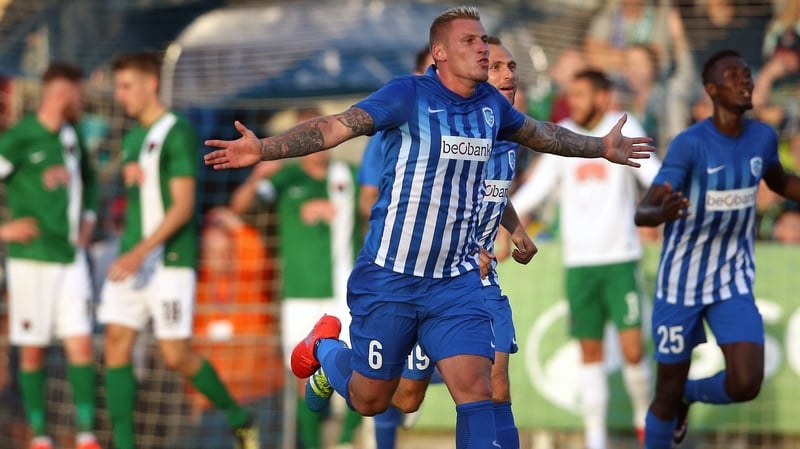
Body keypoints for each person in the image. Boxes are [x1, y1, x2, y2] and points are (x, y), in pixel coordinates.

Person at [205, 7, 654, 449]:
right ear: (439, 53)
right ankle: (325, 348)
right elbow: (336, 126)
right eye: (470, 41)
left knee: (478, 388)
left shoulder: (491, 106)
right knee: (372, 399)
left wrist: (600, 147)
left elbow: (542, 134)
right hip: (392, 276)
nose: (482, 49)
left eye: (484, 40)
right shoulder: (408, 95)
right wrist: (264, 148)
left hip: (455, 281)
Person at [634, 49, 800, 449]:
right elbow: (644, 210)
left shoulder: (762, 137)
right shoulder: (690, 144)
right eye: (733, 76)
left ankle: (690, 394)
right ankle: (675, 403)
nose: (745, 80)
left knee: (746, 383)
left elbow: (780, 181)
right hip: (681, 283)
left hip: (732, 279)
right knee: (666, 389)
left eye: (746, 74)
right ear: (711, 89)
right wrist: (660, 212)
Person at [97, 51, 258, 449]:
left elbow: (183, 206)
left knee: (175, 355)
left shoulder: (177, 130)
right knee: (116, 342)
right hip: (133, 258)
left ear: (151, 83)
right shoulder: (132, 138)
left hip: (169, 260)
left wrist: (139, 252)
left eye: (126, 86)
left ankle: (240, 418)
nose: (120, 95)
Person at [512, 69, 658, 449]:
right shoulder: (563, 134)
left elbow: (654, 177)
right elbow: (536, 189)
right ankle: (596, 439)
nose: (572, 101)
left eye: (580, 94)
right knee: (589, 353)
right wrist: (498, 214)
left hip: (620, 259)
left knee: (633, 350)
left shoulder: (622, 127)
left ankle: (645, 422)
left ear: (602, 96)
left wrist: (670, 202)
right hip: (579, 265)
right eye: (570, 94)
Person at [230, 109, 363, 449]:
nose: (315, 143)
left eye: (319, 133)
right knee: (304, 378)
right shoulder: (285, 179)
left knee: (359, 369)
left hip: (344, 291)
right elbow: (239, 206)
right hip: (299, 294)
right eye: (306, 134)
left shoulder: (348, 176)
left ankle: (345, 441)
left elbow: (372, 206)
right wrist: (258, 174)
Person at [0, 62, 101, 449]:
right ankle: (40, 437)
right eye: (79, 93)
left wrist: (88, 220)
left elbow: (90, 181)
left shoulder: (72, 136)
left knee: (81, 345)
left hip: (70, 258)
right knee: (32, 351)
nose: (83, 101)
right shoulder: (21, 137)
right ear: (62, 92)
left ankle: (86, 436)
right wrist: (3, 230)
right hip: (31, 259)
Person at [189, 207, 284, 449]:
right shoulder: (198, 292)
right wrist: (196, 397)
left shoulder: (249, 280)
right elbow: (191, 353)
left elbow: (256, 255)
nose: (222, 258)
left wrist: (235, 224)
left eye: (227, 251)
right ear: (204, 255)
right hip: (217, 398)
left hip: (260, 392)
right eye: (214, 253)